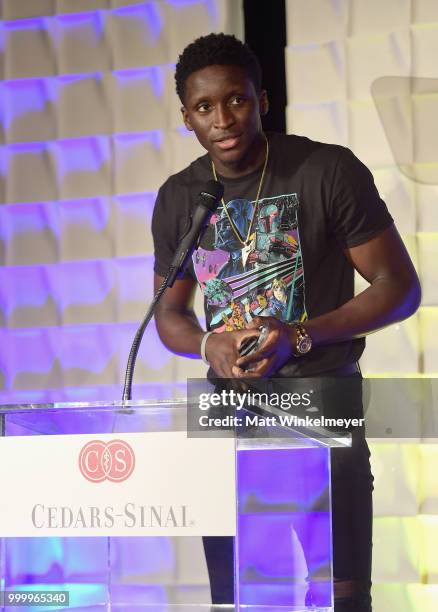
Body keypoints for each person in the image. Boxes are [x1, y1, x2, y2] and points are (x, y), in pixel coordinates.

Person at [151, 33, 421, 612]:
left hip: (322, 409)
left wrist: (301, 333)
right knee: (244, 601)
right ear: (186, 117)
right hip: (229, 420)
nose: (222, 119)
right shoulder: (181, 198)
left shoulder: (327, 170)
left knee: (342, 598)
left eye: (236, 100)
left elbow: (400, 288)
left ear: (262, 100)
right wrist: (208, 345)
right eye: (204, 108)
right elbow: (169, 314)